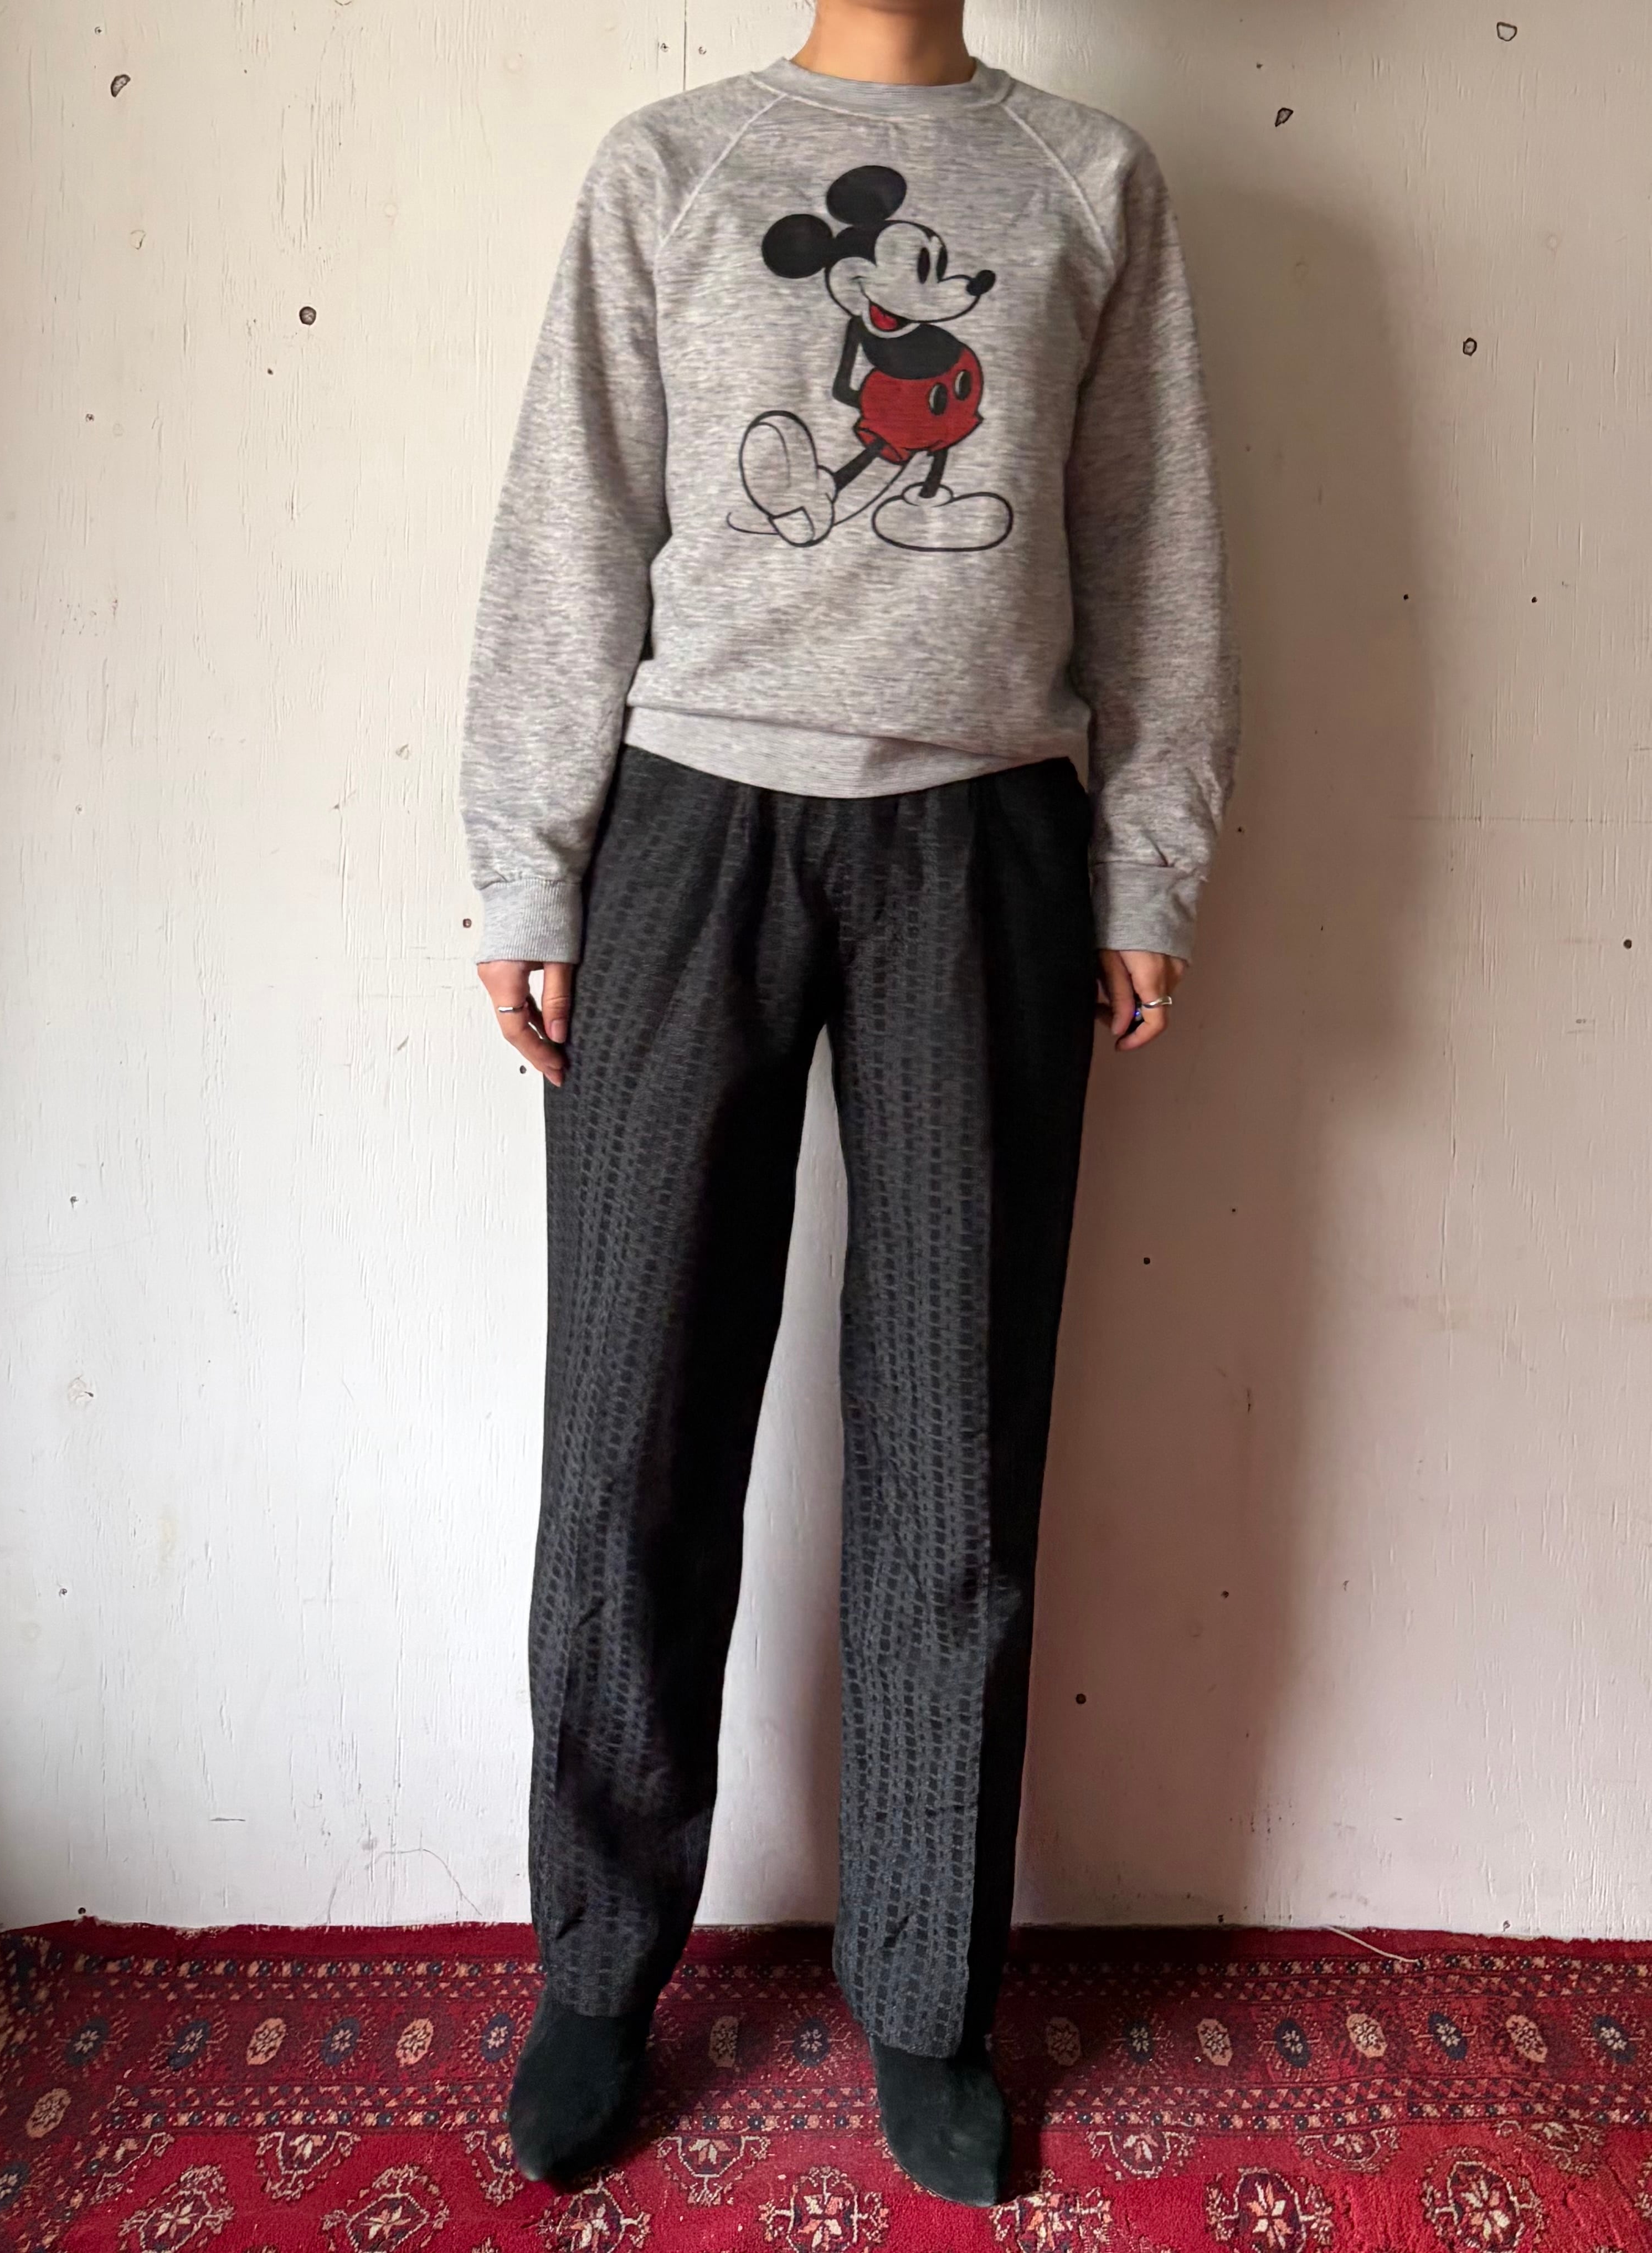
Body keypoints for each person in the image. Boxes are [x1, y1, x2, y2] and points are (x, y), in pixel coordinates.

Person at [459, 0, 1238, 2207]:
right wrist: (526, 861)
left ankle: (925, 1992)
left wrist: (1147, 861)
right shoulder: (670, 169)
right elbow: (571, 521)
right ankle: (595, 1969)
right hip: (686, 833)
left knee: (954, 1442)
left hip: (982, 841)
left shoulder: (1089, 182)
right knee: (629, 1422)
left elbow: (1152, 544)